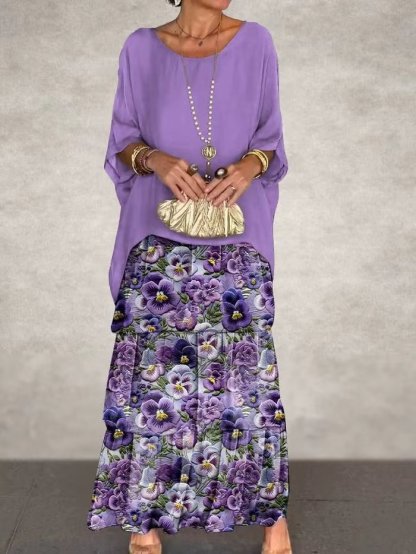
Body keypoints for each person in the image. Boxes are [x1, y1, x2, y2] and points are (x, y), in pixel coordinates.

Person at [87, 1, 293, 553]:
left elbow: (271, 141)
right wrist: (155, 160)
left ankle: (271, 517)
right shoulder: (140, 47)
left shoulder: (256, 42)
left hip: (236, 233)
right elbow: (122, 142)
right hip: (157, 236)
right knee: (151, 381)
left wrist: (249, 166)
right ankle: (143, 517)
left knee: (248, 381)